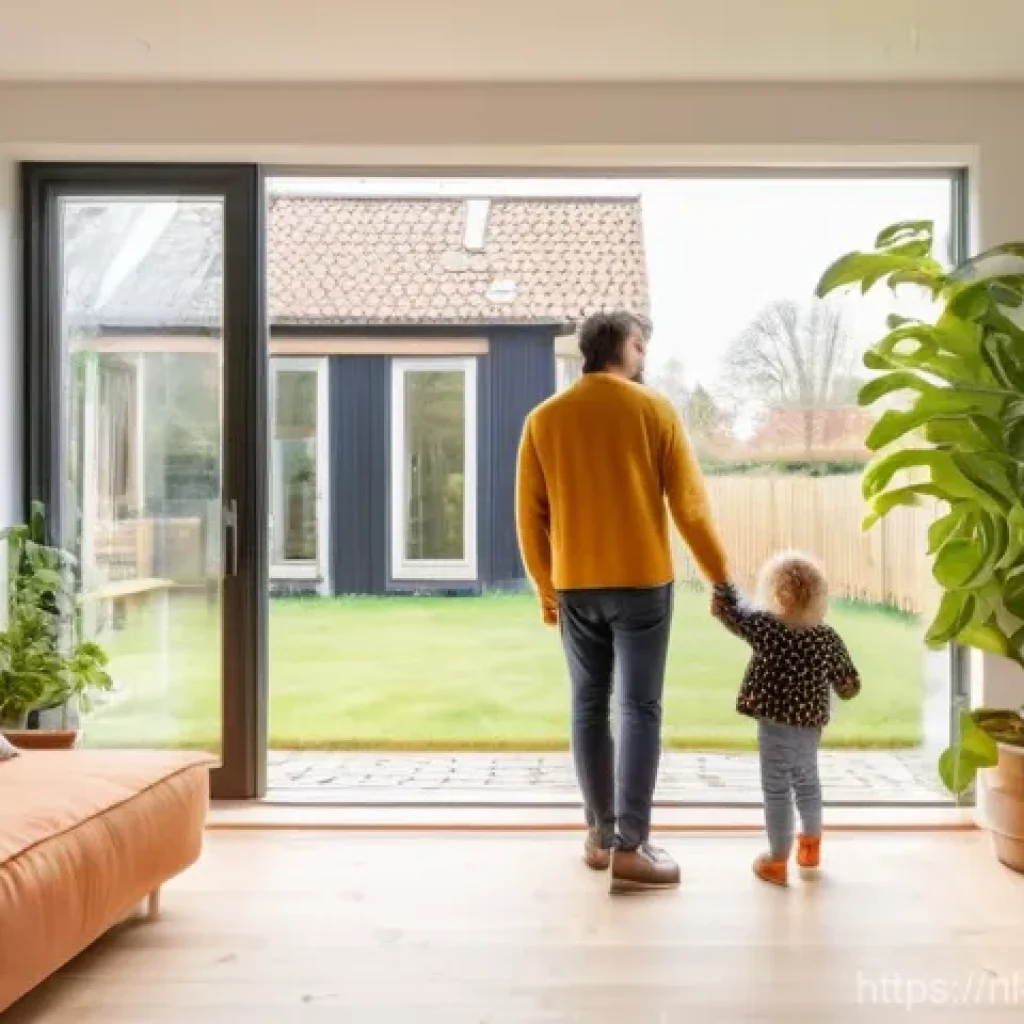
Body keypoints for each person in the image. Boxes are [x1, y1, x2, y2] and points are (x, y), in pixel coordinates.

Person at [515, 311, 730, 893]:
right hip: (642, 584)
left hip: (576, 585)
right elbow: (690, 508)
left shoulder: (543, 419)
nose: (644, 357)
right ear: (627, 347)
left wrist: (547, 591)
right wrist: (721, 578)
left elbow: (530, 521)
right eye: (641, 346)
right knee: (638, 709)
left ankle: (598, 837)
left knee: (588, 707)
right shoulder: (654, 409)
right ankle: (632, 849)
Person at [710, 551, 861, 887]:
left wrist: (722, 592)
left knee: (777, 789)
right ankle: (811, 848)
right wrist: (843, 687)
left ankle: (777, 860)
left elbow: (733, 616)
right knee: (807, 782)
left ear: (777, 596)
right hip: (810, 726)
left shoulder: (768, 628)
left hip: (774, 724)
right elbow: (849, 684)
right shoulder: (826, 638)